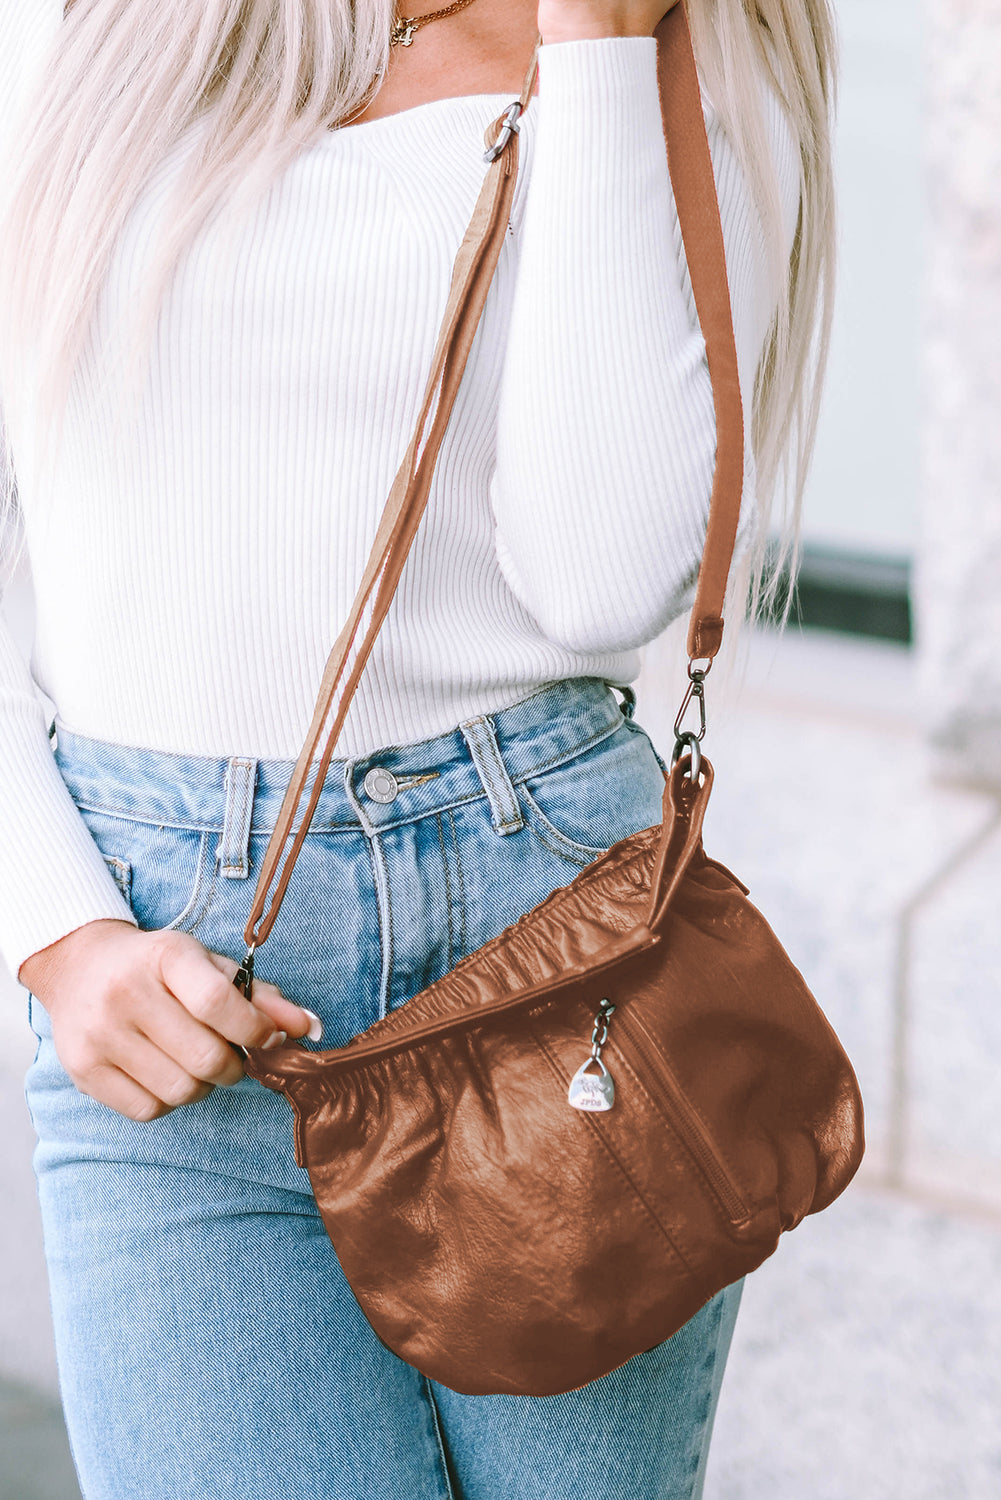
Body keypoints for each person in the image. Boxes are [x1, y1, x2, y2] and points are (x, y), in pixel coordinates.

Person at [0, 0, 835, 1495]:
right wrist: (54, 926)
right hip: (165, 960)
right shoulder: (87, 32)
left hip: (560, 955)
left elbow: (600, 576)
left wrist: (589, 52)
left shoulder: (695, 58)